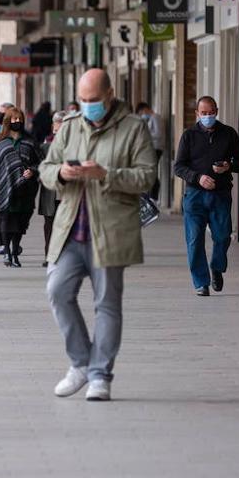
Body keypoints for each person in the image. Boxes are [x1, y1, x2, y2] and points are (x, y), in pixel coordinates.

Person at [40, 69, 156, 402]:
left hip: (111, 230)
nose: (88, 106)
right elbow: (47, 169)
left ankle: (100, 376)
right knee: (57, 291)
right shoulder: (71, 127)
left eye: (94, 100)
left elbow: (147, 177)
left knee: (107, 305)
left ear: (109, 95)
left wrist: (105, 174)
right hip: (70, 231)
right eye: (83, 100)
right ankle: (80, 363)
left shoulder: (133, 128)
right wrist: (62, 172)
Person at [172, 96, 239, 296]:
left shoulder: (229, 134)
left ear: (217, 111)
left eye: (211, 112)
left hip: (220, 194)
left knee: (222, 236)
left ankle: (216, 267)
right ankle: (201, 282)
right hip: (195, 195)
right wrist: (198, 178)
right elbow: (178, 167)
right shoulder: (189, 136)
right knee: (194, 239)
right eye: (203, 113)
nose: (207, 116)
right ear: (197, 114)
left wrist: (228, 166)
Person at [0, 106, 42, 267]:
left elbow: (41, 162)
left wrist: (32, 171)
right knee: (5, 220)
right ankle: (7, 252)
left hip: (25, 190)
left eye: (19, 119)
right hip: (3, 188)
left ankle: (16, 248)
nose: (17, 122)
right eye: (14, 119)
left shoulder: (29, 141)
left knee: (20, 222)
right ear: (7, 121)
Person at [37, 111, 67, 266]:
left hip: (67, 191)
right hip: (50, 191)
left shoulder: (74, 143)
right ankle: (49, 255)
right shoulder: (46, 143)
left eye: (63, 122)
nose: (60, 125)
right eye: (57, 122)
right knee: (49, 223)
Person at [135, 101, 165, 199]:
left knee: (152, 172)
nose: (143, 115)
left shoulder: (155, 117)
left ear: (145, 109)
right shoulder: (152, 118)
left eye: (142, 113)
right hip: (153, 147)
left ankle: (153, 196)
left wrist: (146, 136)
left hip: (156, 147)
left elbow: (158, 134)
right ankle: (151, 195)